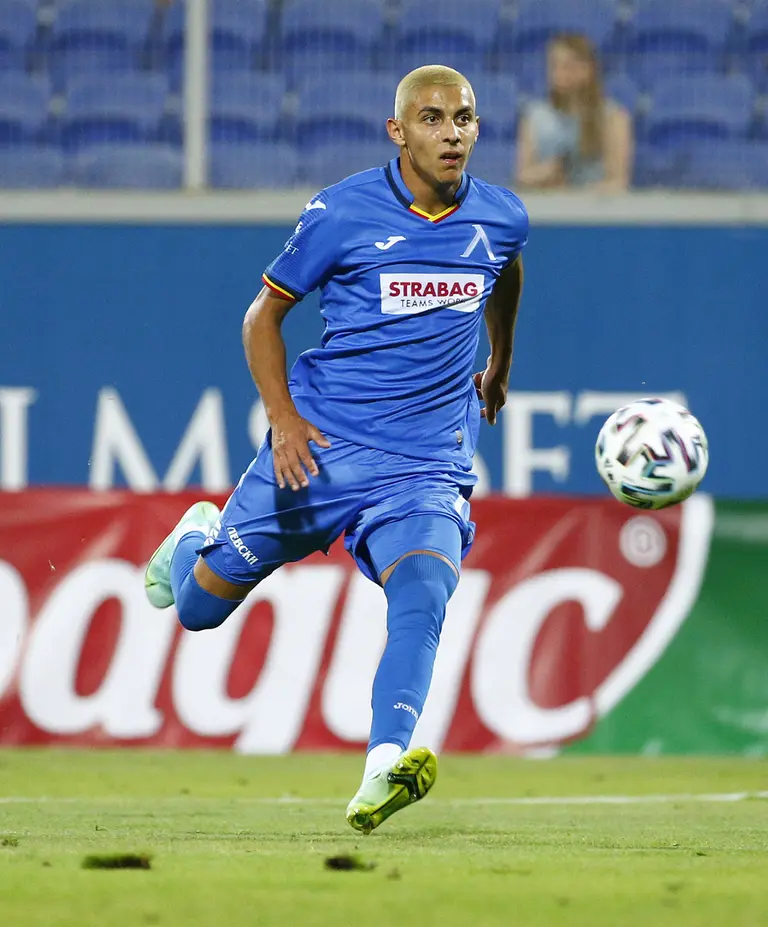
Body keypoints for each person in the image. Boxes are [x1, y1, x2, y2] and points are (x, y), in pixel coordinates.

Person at [144, 65, 528, 834]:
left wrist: (501, 362)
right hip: (319, 451)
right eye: (432, 118)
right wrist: (283, 419)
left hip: (423, 464)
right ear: (398, 131)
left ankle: (383, 765)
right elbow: (262, 316)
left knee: (424, 591)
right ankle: (195, 533)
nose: (451, 132)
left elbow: (505, 274)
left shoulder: (502, 216)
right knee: (197, 609)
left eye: (463, 118)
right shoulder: (342, 211)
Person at [516, 34, 633, 192]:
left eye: (567, 65)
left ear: (587, 70)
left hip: (596, 205)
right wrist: (543, 173)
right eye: (554, 65)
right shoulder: (535, 116)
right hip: (547, 204)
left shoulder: (614, 117)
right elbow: (522, 177)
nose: (559, 72)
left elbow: (618, 182)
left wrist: (579, 195)